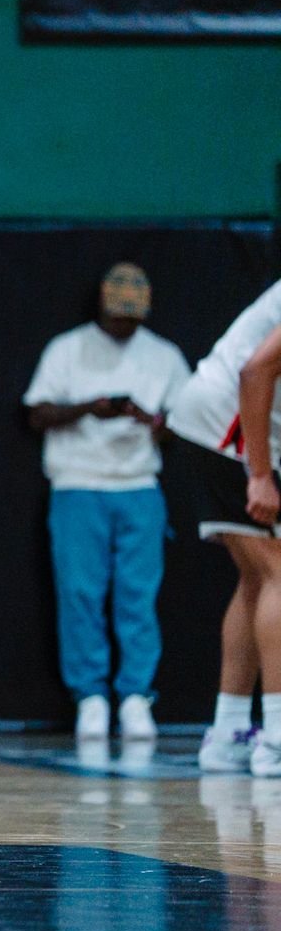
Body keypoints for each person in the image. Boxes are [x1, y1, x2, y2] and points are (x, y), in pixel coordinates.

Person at [24, 263, 189, 742]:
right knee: (80, 594)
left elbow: (183, 425)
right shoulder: (68, 348)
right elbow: (36, 412)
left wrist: (152, 421)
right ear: (101, 306)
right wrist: (90, 406)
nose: (123, 328)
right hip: (77, 483)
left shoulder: (165, 355)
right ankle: (91, 698)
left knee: (138, 596)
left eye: (131, 321)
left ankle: (136, 697)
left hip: (138, 485)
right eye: (117, 319)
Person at [164, 282, 281, 776]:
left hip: (217, 418)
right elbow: (256, 369)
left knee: (257, 577)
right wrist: (259, 474)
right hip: (225, 418)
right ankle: (276, 739)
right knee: (278, 573)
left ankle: (230, 733)